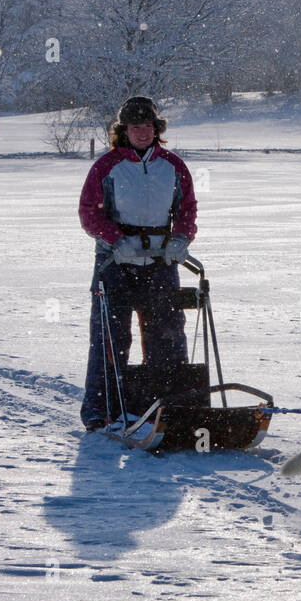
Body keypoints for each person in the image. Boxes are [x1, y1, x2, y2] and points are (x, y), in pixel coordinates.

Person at [78, 96, 197, 431]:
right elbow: (89, 212)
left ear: (156, 129)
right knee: (111, 338)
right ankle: (101, 412)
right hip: (115, 263)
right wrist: (114, 240)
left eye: (148, 126)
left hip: (161, 261)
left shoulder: (173, 166)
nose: (142, 132)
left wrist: (181, 238)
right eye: (135, 127)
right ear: (124, 130)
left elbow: (187, 208)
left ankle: (168, 407)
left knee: (167, 335)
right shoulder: (107, 166)